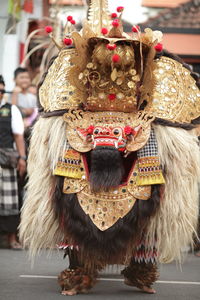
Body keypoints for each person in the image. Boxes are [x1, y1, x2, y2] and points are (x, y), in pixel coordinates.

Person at [19, 1, 200, 296]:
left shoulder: (150, 112)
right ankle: (81, 266)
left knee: (152, 201)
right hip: (83, 139)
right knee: (66, 192)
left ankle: (140, 266)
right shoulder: (71, 104)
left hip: (137, 139)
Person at [0, 75, 26, 249]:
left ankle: (11, 239)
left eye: (2, 90)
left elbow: (18, 136)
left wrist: (22, 158)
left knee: (10, 201)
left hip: (6, 160)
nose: (0, 94)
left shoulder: (11, 110)